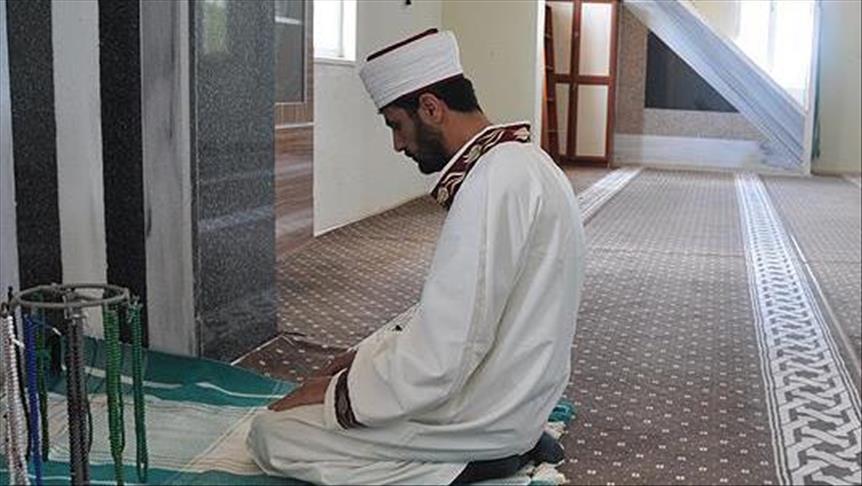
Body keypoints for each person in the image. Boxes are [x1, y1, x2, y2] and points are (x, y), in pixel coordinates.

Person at [247, 28, 586, 485]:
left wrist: (339, 393)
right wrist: (360, 357)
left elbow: (446, 353)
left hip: (483, 417)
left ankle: (470, 463)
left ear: (430, 108)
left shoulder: (494, 181)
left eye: (396, 125)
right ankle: (508, 443)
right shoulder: (527, 162)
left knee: (274, 434)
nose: (397, 144)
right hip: (519, 402)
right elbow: (463, 313)